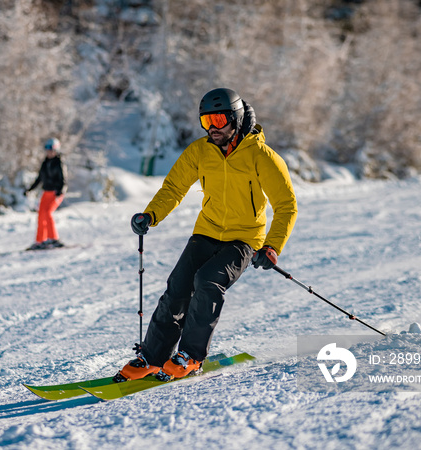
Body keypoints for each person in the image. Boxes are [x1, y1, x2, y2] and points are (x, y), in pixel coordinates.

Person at [116, 88, 298, 382]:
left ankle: (191, 355)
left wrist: (272, 246)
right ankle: (152, 356)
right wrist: (151, 215)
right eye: (206, 121)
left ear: (236, 120)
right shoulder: (199, 152)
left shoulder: (261, 156)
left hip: (244, 239)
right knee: (177, 287)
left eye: (218, 120)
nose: (212, 128)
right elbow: (174, 189)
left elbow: (286, 205)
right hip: (207, 231)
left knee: (208, 280)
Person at [25, 137, 67, 250]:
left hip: (55, 193)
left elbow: (63, 180)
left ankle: (53, 238)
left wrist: (60, 191)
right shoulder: (45, 163)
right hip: (46, 192)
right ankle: (40, 240)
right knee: (41, 215)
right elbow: (40, 178)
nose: (49, 152)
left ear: (56, 150)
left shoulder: (59, 163)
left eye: (51, 149)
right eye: (47, 149)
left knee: (48, 213)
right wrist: (30, 189)